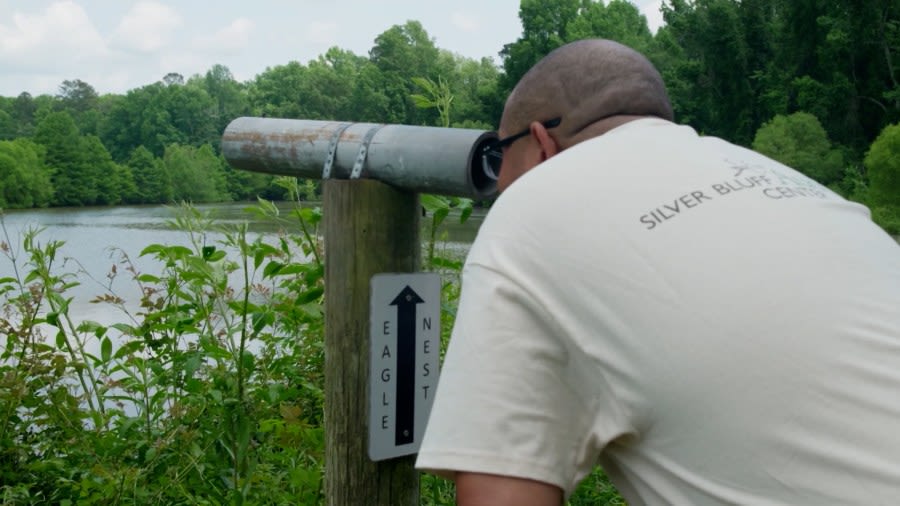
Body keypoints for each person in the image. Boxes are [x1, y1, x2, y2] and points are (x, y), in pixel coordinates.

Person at [415, 38, 900, 505]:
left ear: (541, 141)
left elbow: (502, 498)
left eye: (502, 154)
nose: (499, 181)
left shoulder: (532, 204)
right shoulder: (779, 176)